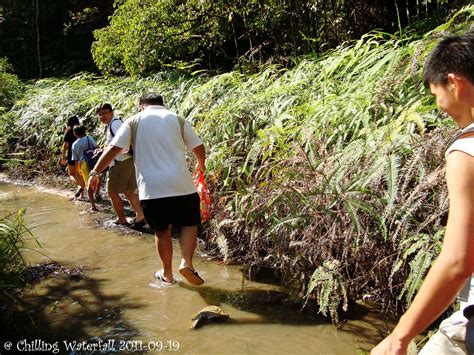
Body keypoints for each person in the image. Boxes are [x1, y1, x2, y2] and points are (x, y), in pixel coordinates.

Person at [372, 30, 474, 355]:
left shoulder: (466, 152)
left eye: (435, 94)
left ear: (454, 83)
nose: (438, 105)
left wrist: (400, 336)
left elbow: (458, 260)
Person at [88, 93, 206, 286]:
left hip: (152, 189)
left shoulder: (134, 121)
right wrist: (201, 165)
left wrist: (95, 172)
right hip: (182, 184)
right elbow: (198, 146)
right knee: (189, 224)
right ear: (162, 105)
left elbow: (113, 149)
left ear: (141, 106)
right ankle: (187, 262)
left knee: (162, 231)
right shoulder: (176, 118)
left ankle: (167, 275)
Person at [96, 103, 146, 229]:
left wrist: (117, 152)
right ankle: (140, 215)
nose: (102, 116)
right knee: (129, 191)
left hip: (120, 161)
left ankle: (121, 219)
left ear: (111, 112)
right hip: (127, 160)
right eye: (99, 114)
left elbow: (123, 142)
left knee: (111, 191)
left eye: (104, 113)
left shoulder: (115, 124)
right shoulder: (112, 124)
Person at [71, 124, 99, 211]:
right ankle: (97, 194)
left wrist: (77, 169)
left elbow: (75, 159)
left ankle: (93, 206)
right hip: (93, 162)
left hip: (83, 164)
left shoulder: (74, 144)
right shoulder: (88, 138)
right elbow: (97, 148)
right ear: (84, 131)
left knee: (88, 183)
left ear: (75, 133)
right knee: (97, 177)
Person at [60, 115, 85, 198]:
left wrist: (63, 157)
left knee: (72, 174)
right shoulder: (81, 130)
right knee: (80, 174)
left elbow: (65, 146)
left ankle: (80, 187)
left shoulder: (68, 133)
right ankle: (81, 195)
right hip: (82, 155)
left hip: (72, 156)